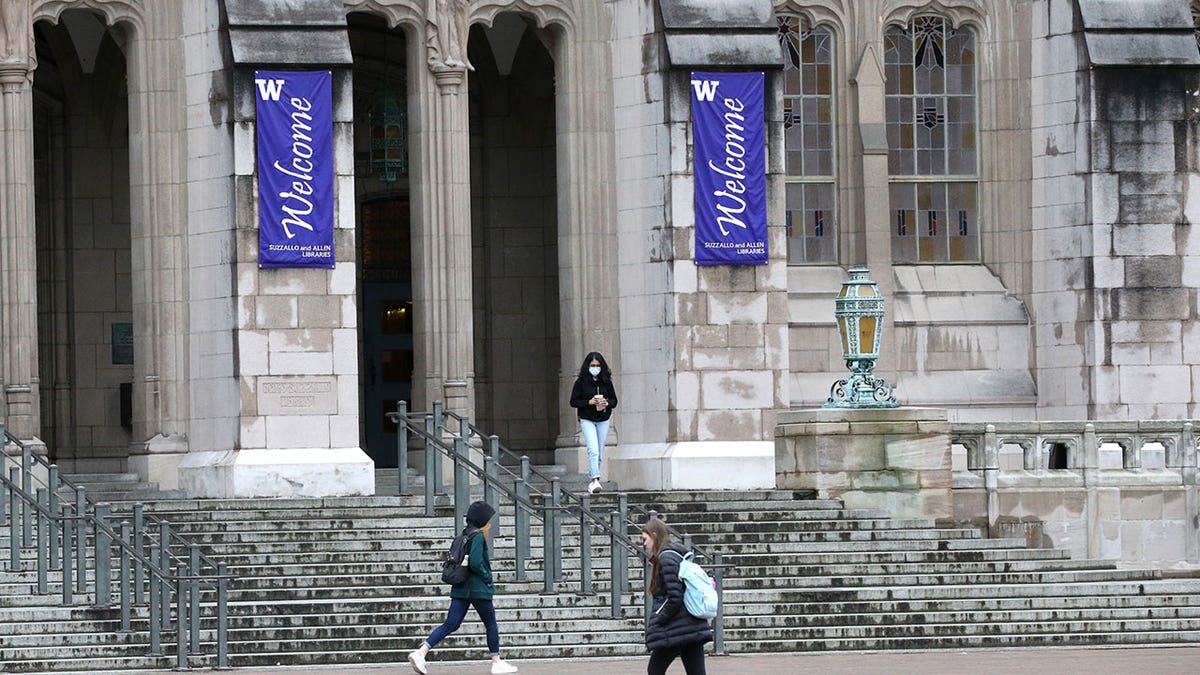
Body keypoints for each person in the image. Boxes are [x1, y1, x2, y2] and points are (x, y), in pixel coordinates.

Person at [408, 501, 518, 675]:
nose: (489, 523)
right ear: (482, 520)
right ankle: (496, 661)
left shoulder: (464, 534)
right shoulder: (478, 536)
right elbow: (475, 562)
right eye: (488, 520)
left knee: (451, 623)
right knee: (490, 623)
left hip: (460, 587)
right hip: (478, 589)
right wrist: (488, 576)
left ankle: (421, 652)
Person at [641, 517, 712, 675]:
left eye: (645, 539)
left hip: (676, 628)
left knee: (655, 670)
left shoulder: (666, 558)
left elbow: (674, 596)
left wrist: (658, 620)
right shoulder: (676, 556)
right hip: (692, 626)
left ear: (654, 535)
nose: (644, 544)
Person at [569, 351, 618, 494]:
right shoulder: (581, 383)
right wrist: (589, 402)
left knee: (600, 450)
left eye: (597, 365)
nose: (595, 368)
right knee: (593, 449)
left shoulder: (606, 382)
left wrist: (606, 402)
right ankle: (595, 479)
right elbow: (573, 401)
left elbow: (614, 401)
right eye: (592, 365)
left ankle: (594, 477)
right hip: (587, 418)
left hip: (603, 418)